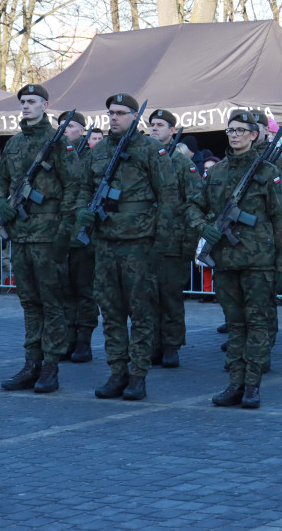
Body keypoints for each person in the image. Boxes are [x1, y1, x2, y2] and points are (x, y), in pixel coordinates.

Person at [75, 93, 178, 401]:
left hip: (139, 245)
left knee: (142, 313)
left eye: (120, 113)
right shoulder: (99, 150)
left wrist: (161, 243)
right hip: (106, 244)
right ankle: (117, 371)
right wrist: (82, 211)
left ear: (134, 116)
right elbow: (84, 187)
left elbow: (169, 197)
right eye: (111, 113)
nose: (114, 118)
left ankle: (138, 375)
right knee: (112, 312)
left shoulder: (151, 149)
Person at [188, 110, 282, 408]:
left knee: (257, 323)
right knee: (235, 324)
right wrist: (203, 226)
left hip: (259, 262)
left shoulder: (267, 171)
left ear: (253, 135)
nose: (234, 135)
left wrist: (281, 266)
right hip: (226, 261)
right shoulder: (216, 172)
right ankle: (235, 382)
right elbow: (194, 206)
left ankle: (252, 385)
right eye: (230, 130)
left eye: (240, 130)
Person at [0, 84, 80, 394]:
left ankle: (51, 367)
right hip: (21, 233)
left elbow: (74, 189)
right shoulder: (14, 143)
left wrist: (63, 233)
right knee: (29, 303)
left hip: (48, 234)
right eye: (23, 102)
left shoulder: (58, 144)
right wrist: (0, 201)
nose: (26, 106)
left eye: (32, 101)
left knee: (51, 303)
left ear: (46, 104)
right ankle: (32, 363)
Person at [146, 108, 200, 368]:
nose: (154, 128)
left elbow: (195, 202)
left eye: (160, 125)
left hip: (172, 241)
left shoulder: (181, 163)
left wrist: (189, 244)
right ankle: (151, 344)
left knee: (170, 296)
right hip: (144, 239)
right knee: (147, 296)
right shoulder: (143, 157)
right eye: (152, 124)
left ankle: (171, 345)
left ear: (172, 130)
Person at [58, 110, 98, 362]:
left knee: (84, 290)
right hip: (58, 232)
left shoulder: (93, 157)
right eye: (61, 125)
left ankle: (83, 340)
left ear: (82, 130)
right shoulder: (53, 155)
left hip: (83, 236)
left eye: (70, 126)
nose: (64, 130)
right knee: (62, 289)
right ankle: (67, 337)